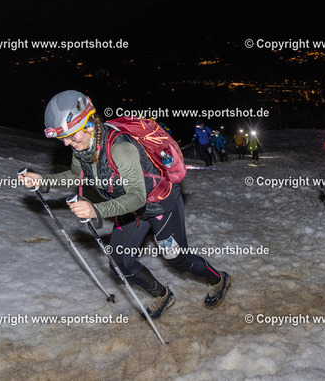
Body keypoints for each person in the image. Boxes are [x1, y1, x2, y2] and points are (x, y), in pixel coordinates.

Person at [20, 91, 231, 319]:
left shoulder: (120, 148)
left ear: (89, 124)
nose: (66, 143)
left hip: (160, 204)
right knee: (120, 261)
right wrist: (44, 180)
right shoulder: (82, 149)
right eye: (63, 138)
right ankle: (162, 294)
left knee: (177, 259)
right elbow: (76, 175)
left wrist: (97, 210)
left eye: (71, 136)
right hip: (131, 209)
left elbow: (137, 197)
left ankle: (218, 279)